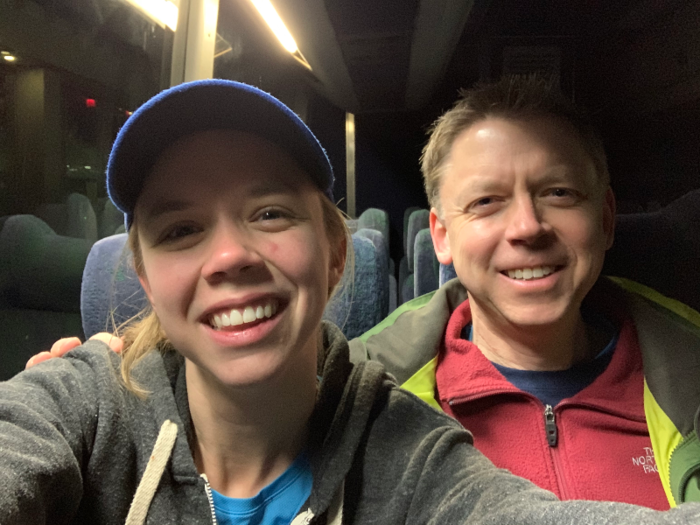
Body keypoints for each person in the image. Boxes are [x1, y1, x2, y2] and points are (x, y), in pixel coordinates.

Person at [12, 78, 700, 525]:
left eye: (271, 213)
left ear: (337, 254)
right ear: (143, 275)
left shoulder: (401, 446)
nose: (229, 256)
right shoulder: (84, 403)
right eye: (181, 228)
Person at [348, 76, 700, 509]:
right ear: (442, 237)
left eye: (558, 193)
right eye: (485, 201)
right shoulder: (363, 403)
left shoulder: (691, 370)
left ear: (605, 220)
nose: (527, 227)